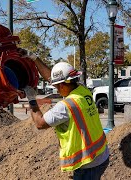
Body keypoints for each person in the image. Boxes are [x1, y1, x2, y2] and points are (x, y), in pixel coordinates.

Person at [22, 52, 109, 180]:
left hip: (88, 164)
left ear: (62, 85)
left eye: (57, 87)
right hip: (102, 155)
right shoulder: (82, 90)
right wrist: (34, 58)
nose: (56, 89)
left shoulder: (66, 106)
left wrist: (31, 99)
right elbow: (53, 79)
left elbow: (39, 123)